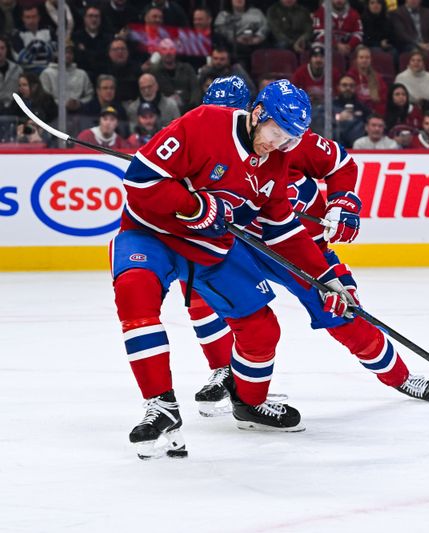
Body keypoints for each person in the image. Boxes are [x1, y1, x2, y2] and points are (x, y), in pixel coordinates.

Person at [111, 80, 368, 459]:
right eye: (275, 133)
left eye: (287, 140)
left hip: (211, 248)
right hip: (152, 233)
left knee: (263, 328)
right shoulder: (203, 123)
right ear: (259, 113)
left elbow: (283, 229)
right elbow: (139, 181)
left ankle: (249, 403)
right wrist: (193, 206)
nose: (277, 145)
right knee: (135, 291)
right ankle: (160, 404)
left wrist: (325, 280)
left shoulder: (277, 161)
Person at [184, 77, 429, 415]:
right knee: (197, 287)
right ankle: (226, 372)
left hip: (300, 247)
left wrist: (343, 202)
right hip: (244, 248)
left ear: (252, 110)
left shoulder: (285, 138)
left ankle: (399, 376)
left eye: (230, 111)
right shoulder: (203, 143)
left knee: (345, 312)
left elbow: (340, 164)